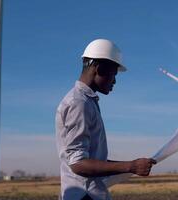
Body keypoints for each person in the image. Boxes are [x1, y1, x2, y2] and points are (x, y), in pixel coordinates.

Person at [56, 39, 156, 200]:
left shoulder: (86, 101)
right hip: (84, 195)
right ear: (99, 69)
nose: (115, 81)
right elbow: (78, 163)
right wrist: (131, 166)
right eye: (113, 75)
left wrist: (131, 165)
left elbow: (92, 159)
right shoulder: (78, 103)